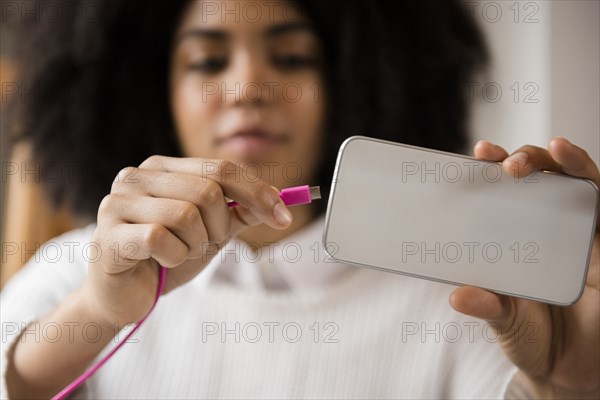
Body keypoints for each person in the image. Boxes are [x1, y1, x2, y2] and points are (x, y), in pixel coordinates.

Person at [2, 0, 598, 398]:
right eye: (207, 61)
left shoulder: (466, 301)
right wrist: (99, 311)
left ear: (351, 84)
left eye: (290, 58)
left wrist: (572, 387)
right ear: (152, 94)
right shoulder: (80, 269)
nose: (248, 88)